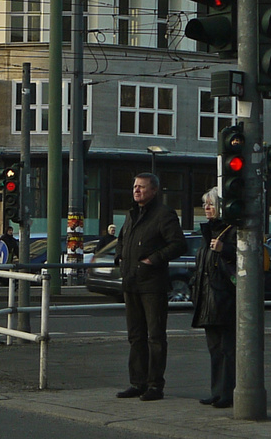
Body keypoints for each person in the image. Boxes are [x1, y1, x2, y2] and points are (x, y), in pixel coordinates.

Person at [116, 172, 186, 401]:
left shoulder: (163, 214)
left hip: (152, 284)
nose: (137, 190)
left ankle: (155, 385)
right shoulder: (131, 214)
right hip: (131, 281)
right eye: (135, 186)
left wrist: (152, 260)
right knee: (135, 336)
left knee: (155, 336)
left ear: (154, 190)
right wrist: (120, 257)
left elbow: (178, 244)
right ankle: (137, 382)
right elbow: (122, 239)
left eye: (142, 187)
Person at [190, 188, 236, 408]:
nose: (206, 208)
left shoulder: (231, 231)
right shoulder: (209, 232)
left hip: (225, 297)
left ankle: (228, 392)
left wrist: (224, 249)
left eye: (211, 204)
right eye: (205, 204)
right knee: (215, 349)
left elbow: (246, 255)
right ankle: (217, 391)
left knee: (227, 349)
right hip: (209, 297)